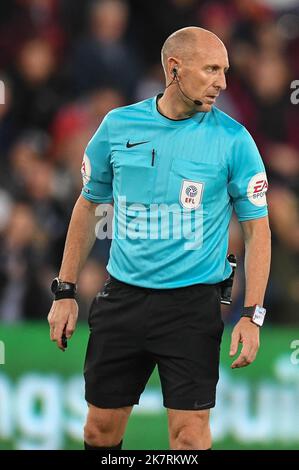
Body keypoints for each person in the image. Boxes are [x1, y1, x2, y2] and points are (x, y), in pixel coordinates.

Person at [47, 26, 271, 450]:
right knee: (99, 431)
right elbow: (87, 204)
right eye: (210, 70)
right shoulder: (117, 125)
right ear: (174, 69)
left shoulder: (234, 140)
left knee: (189, 438)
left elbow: (257, 228)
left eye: (224, 70)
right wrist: (65, 291)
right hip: (123, 300)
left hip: (192, 305)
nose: (222, 82)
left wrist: (252, 313)